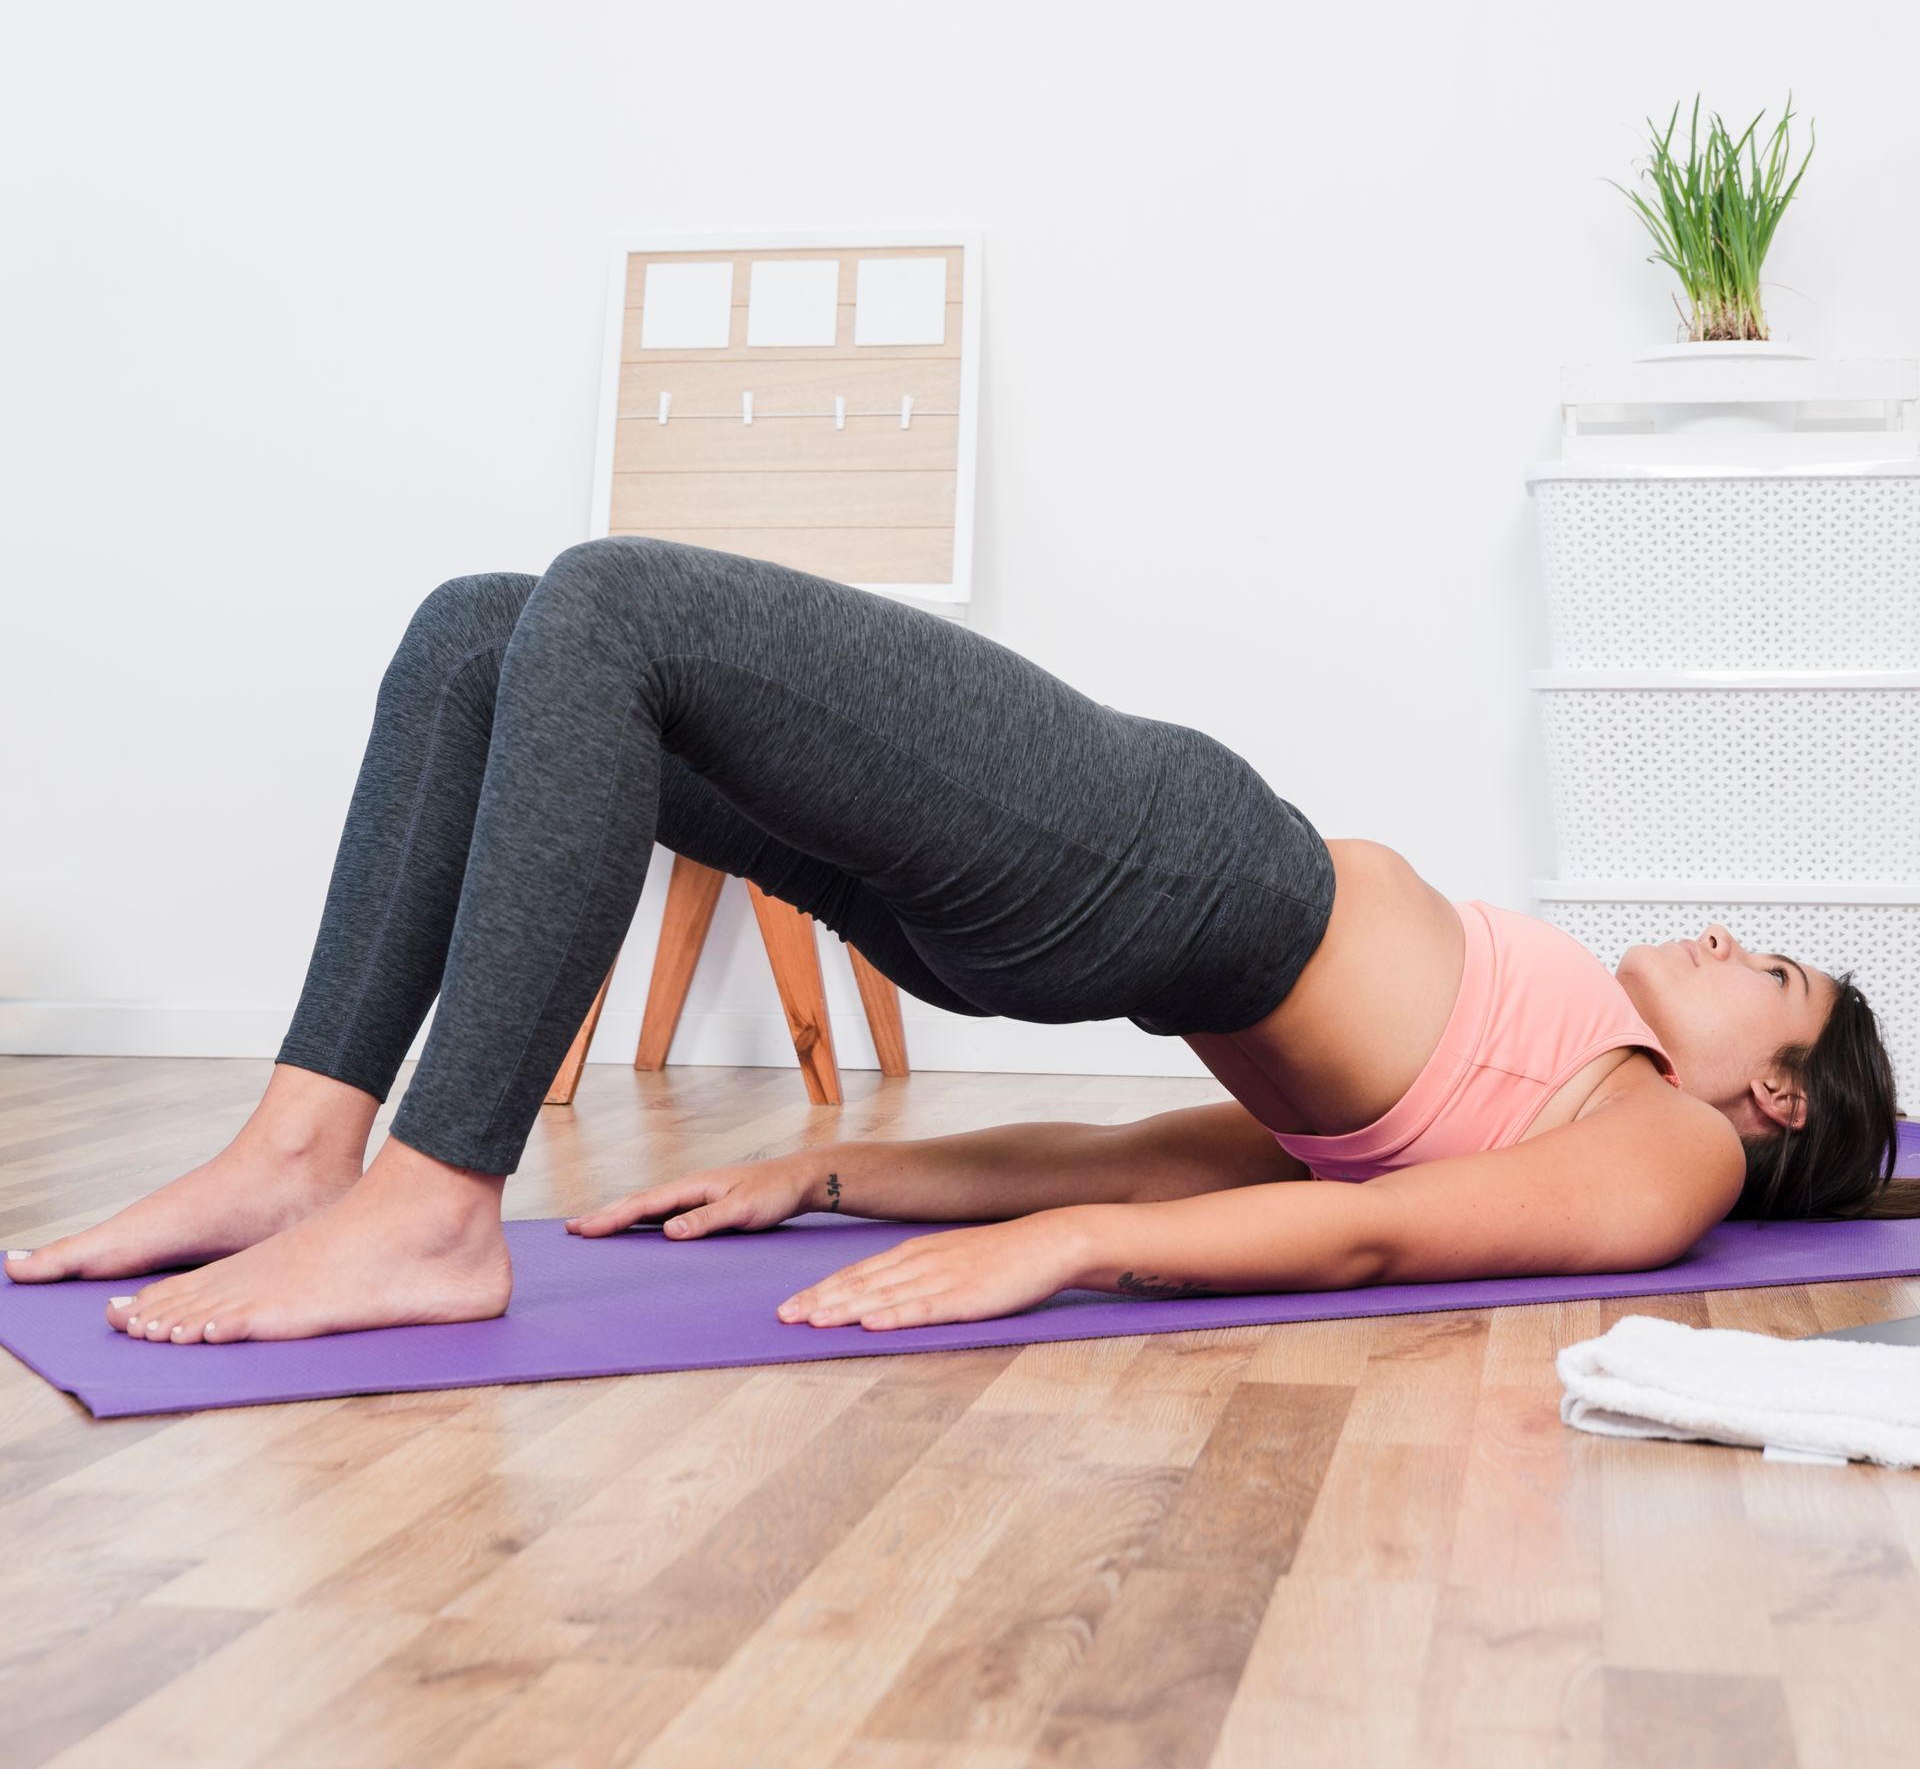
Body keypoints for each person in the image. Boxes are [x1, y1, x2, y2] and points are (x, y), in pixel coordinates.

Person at [6, 540, 1902, 1344]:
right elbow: (1170, 1150)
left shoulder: (1657, 1139)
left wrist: (1068, 1256)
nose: (1734, 941)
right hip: (1080, 908)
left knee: (607, 607)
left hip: (1149, 863)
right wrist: (840, 1168)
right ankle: (296, 1153)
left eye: (1776, 973)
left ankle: (427, 1206)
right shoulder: (1545, 1089)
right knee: (486, 629)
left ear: (1776, 1095)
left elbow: (1377, 1236)